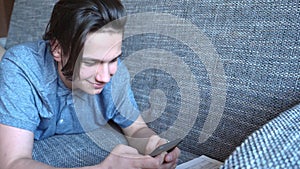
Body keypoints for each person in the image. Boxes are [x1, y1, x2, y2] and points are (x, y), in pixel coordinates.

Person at [0, 0, 180, 168]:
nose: (105, 77)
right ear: (57, 49)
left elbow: (136, 128)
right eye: (90, 62)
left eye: (113, 59)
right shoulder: (22, 68)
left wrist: (154, 145)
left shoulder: (115, 73)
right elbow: (13, 163)